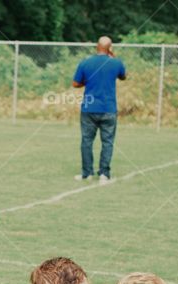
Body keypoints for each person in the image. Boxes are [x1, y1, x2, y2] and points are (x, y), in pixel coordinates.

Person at [72, 36, 127, 183]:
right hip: (109, 108)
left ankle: (86, 173)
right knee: (107, 142)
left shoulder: (85, 62)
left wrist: (87, 82)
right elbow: (123, 76)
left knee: (86, 141)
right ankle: (104, 174)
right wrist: (113, 56)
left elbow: (75, 83)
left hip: (89, 108)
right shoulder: (116, 63)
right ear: (110, 48)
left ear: (97, 47)